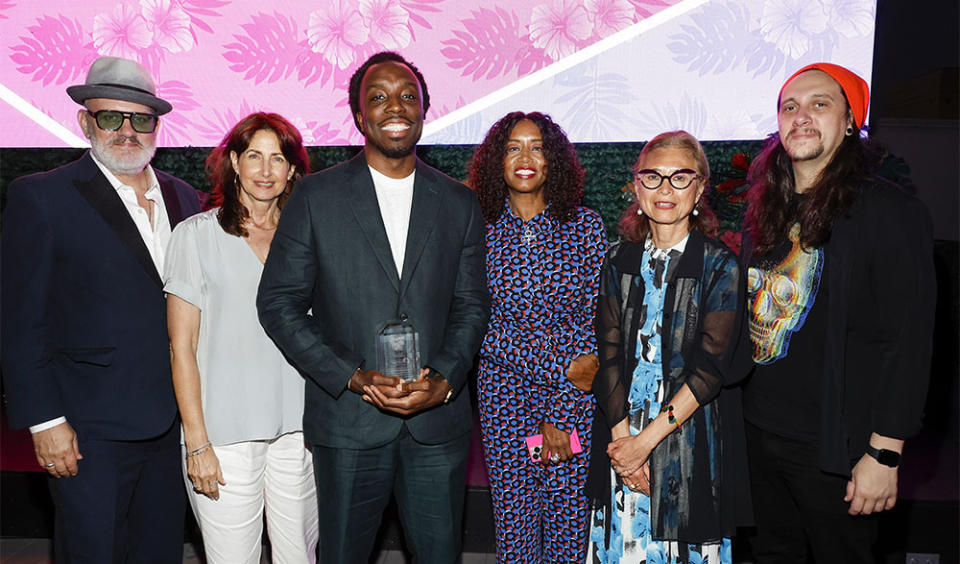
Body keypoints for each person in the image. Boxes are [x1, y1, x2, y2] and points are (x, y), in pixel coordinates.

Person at [256, 51, 490, 564]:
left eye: (408, 96)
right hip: (348, 422)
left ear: (425, 112)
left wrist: (446, 378)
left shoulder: (458, 201)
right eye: (378, 97)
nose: (395, 107)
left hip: (437, 425)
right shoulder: (316, 196)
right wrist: (354, 376)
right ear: (360, 116)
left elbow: (472, 304)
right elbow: (278, 303)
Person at [1, 56, 201, 562]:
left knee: (158, 552)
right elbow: (21, 320)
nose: (127, 130)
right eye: (111, 117)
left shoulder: (186, 199)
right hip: (89, 430)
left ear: (157, 125)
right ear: (86, 121)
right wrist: (45, 422)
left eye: (141, 118)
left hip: (172, 424)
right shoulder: (42, 197)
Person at [742, 63, 935, 563]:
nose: (801, 117)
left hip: (836, 450)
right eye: (790, 107)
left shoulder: (889, 212)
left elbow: (909, 341)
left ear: (851, 121)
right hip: (758, 437)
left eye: (819, 104)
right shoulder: (766, 210)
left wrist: (884, 452)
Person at [585, 131, 751, 563]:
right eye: (653, 177)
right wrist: (624, 446)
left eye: (680, 177)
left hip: (687, 438)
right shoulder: (617, 259)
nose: (665, 188)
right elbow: (608, 355)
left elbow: (711, 371)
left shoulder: (719, 266)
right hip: (620, 437)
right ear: (636, 188)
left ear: (699, 189)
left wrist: (646, 443)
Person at [165, 112, 319, 563]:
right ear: (234, 162)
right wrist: (197, 443)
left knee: (299, 558)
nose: (266, 170)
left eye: (278, 158)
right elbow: (182, 348)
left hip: (300, 431)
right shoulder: (194, 236)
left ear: (292, 169)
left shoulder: (308, 238)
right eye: (254, 156)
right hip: (223, 436)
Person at [468, 111, 606, 562]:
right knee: (516, 533)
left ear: (554, 160)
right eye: (513, 147)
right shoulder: (475, 230)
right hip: (503, 401)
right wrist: (559, 367)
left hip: (572, 404)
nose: (525, 157)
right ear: (497, 161)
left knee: (567, 532)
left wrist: (562, 414)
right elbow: (480, 327)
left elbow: (590, 326)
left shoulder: (585, 227)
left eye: (537, 147)